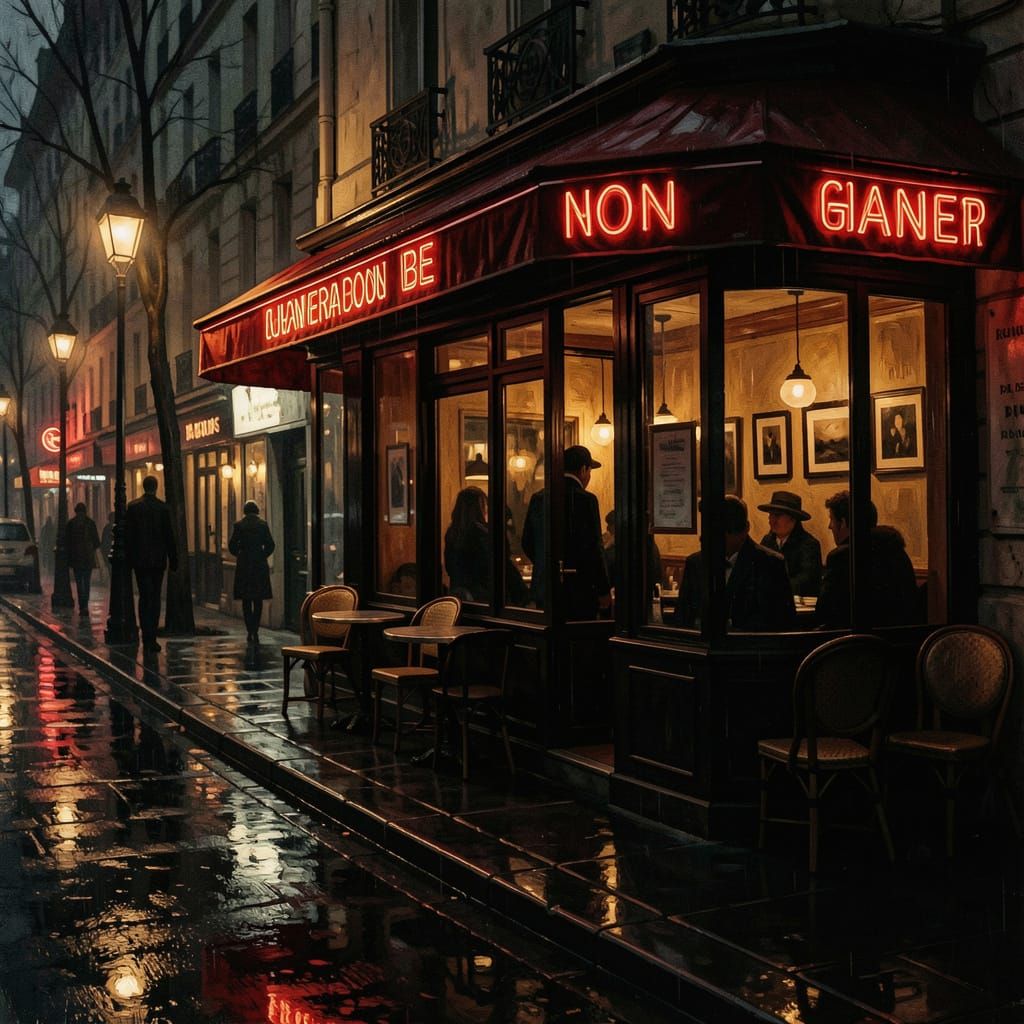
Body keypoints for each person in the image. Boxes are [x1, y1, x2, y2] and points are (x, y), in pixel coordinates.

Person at [672, 495, 796, 631]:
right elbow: (682, 619)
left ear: (744, 530)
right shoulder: (695, 563)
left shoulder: (769, 564)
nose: (705, 538)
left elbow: (782, 623)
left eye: (721, 533)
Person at [523, 444, 611, 620]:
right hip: (580, 591)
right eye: (589, 471)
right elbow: (594, 549)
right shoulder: (587, 500)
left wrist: (548, 564)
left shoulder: (539, 498)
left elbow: (527, 542)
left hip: (545, 589)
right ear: (583, 469)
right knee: (578, 642)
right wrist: (603, 590)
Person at [815, 489, 919, 629]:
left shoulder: (841, 557)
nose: (830, 526)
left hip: (851, 644)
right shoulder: (896, 550)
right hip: (898, 641)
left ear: (844, 522)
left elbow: (824, 611)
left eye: (832, 519)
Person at [125, 475, 178, 653]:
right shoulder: (163, 508)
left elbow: (128, 536)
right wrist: (174, 559)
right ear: (156, 487)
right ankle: (151, 637)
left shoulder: (133, 508)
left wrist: (129, 559)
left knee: (143, 596)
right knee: (155, 598)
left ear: (143, 486)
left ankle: (145, 634)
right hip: (157, 561)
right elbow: (169, 536)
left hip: (140, 561)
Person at [757, 490, 822, 597]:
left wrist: (775, 589)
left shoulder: (809, 544)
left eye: (777, 515)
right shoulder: (767, 542)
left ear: (793, 519)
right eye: (771, 515)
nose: (771, 520)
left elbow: (807, 580)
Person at [229, 500, 275, 644]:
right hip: (259, 566)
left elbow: (232, 545)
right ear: (256, 510)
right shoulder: (263, 525)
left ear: (244, 511)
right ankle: (255, 629)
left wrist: (240, 554)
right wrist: (262, 555)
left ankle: (250, 630)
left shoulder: (239, 525)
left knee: (246, 600)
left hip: (244, 566)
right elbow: (270, 544)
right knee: (258, 599)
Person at [444, 486, 490, 602]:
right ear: (479, 508)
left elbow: (449, 566)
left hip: (458, 593)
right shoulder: (481, 533)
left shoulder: (452, 532)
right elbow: (487, 566)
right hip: (481, 595)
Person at [604, 509, 662, 597]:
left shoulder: (623, 547)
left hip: (626, 597)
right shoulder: (647, 543)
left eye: (610, 525)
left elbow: (605, 569)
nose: (607, 529)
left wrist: (606, 547)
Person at [66, 502, 100, 614]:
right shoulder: (90, 523)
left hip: (76, 558)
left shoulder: (71, 524)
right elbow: (96, 542)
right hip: (88, 558)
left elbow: (67, 542)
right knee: (86, 581)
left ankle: (82, 605)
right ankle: (85, 604)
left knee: (79, 583)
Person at [99, 510, 115, 583]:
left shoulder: (107, 528)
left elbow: (104, 541)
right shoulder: (108, 528)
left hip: (109, 551)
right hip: (110, 551)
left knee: (110, 568)